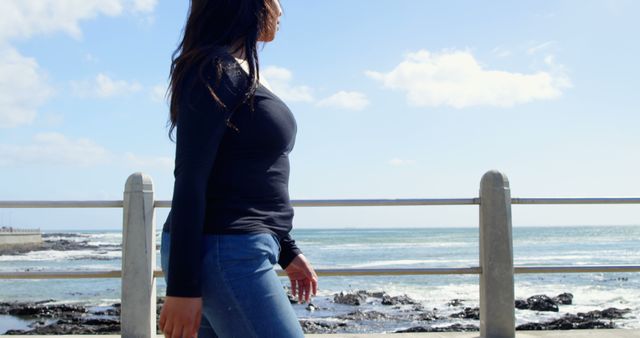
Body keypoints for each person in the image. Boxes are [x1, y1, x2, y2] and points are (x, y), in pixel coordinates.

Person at [158, 1, 318, 337]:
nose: (280, 11)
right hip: (224, 250)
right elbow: (190, 178)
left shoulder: (238, 68)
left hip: (236, 247)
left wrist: (286, 249)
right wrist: (183, 288)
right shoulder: (215, 69)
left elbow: (246, 175)